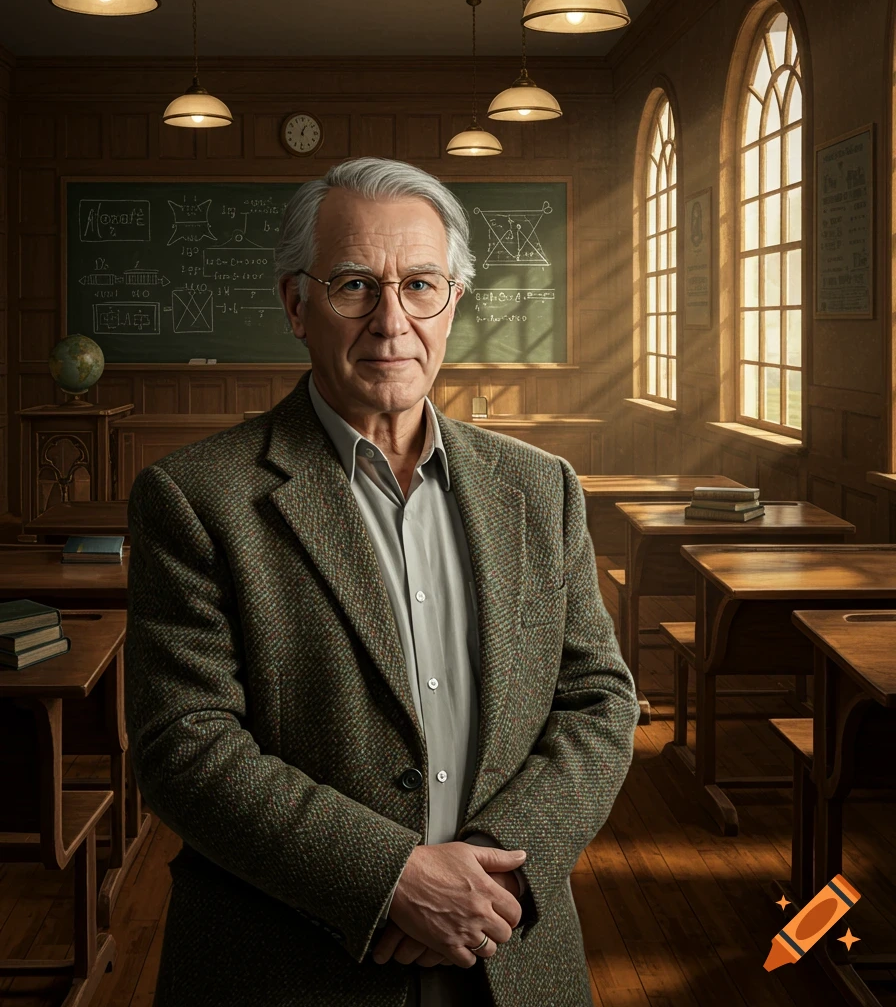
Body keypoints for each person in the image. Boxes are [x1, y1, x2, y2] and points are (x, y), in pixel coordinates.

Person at [125, 156, 640, 1007]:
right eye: (355, 285)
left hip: (508, 954)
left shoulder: (539, 488)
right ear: (297, 305)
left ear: (454, 304)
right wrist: (391, 878)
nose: (391, 322)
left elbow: (599, 701)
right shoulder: (195, 498)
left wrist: (495, 877)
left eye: (421, 286)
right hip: (289, 963)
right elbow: (185, 745)